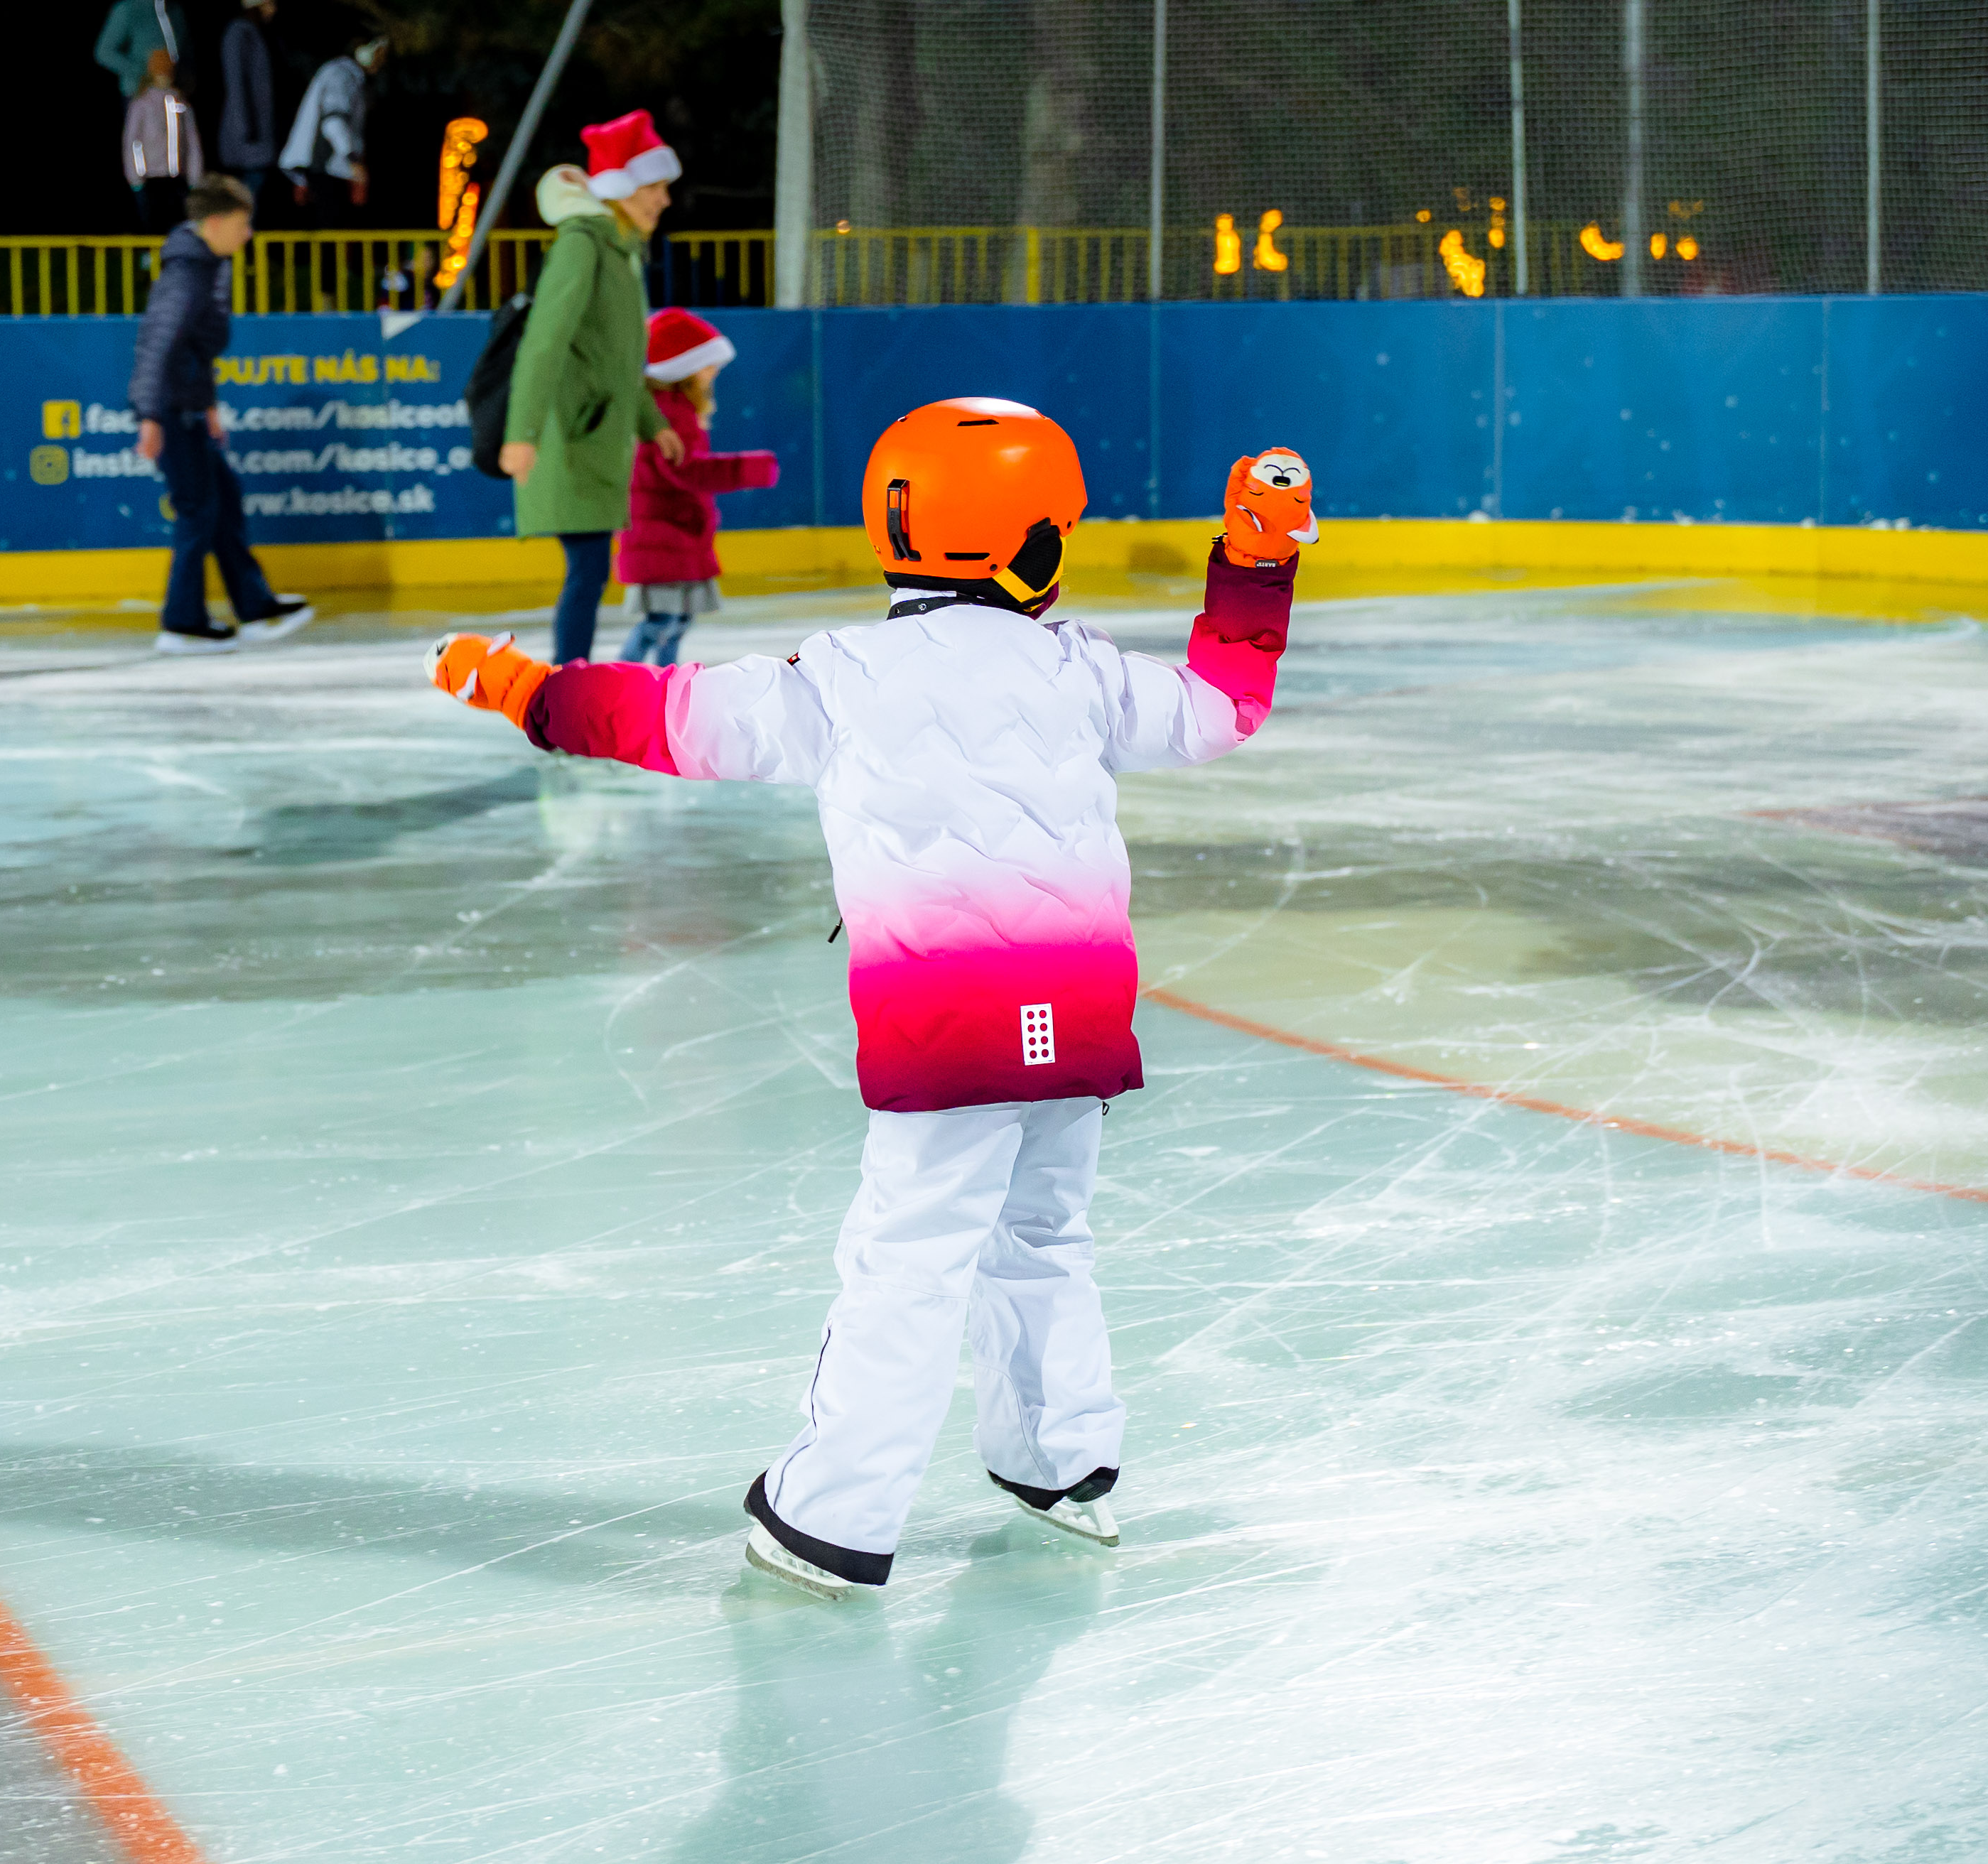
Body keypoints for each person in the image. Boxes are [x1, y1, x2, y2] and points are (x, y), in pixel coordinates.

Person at [426, 408, 1321, 1599]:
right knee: (1042, 1233)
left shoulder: (837, 675)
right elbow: (1222, 710)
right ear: (1038, 543)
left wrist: (531, 691)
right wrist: (1257, 562)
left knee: (908, 1258)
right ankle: (1060, 1465)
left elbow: (667, 718)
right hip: (1079, 1013)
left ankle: (829, 1519)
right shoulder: (1084, 669)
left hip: (945, 1023)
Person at [499, 112, 688, 663]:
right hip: (569, 435)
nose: (664, 200)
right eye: (654, 187)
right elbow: (543, 343)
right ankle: (566, 688)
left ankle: (569, 682)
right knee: (587, 569)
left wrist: (653, 424)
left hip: (595, 432)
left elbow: (619, 361)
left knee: (590, 569)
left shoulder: (621, 253)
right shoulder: (583, 245)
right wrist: (523, 434)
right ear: (621, 190)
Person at [130, 173, 315, 656]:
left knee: (223, 499)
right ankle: (183, 622)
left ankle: (253, 606)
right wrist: (149, 415)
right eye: (241, 223)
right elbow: (158, 344)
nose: (248, 233)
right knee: (198, 509)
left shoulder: (206, 266)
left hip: (186, 407)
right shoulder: (187, 274)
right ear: (214, 223)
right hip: (171, 410)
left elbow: (193, 350)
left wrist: (208, 406)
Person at [614, 308, 777, 666]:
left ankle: (666, 675)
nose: (714, 371)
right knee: (663, 618)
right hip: (662, 530)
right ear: (682, 368)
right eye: (708, 364)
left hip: (673, 529)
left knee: (679, 617)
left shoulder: (676, 407)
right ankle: (624, 672)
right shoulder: (669, 411)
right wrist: (751, 469)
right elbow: (687, 471)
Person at [278, 36, 385, 227]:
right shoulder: (341, 75)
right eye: (379, 54)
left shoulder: (350, 76)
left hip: (331, 168)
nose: (382, 60)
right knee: (333, 231)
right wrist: (353, 160)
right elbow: (333, 122)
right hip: (327, 166)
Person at [123, 48, 202, 232]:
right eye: (160, 71)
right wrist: (136, 175)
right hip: (150, 178)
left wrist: (195, 175)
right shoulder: (141, 104)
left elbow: (192, 140)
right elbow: (132, 142)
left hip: (176, 177)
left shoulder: (181, 103)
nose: (164, 75)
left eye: (167, 71)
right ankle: (149, 256)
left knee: (177, 221)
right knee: (151, 221)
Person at [219, 0, 281, 214]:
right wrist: (244, 127)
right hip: (249, 138)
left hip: (259, 135)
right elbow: (236, 83)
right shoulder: (239, 33)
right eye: (269, 4)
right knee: (246, 203)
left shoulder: (257, 33)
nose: (273, 10)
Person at [94, 0, 189, 101]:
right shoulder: (129, 9)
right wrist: (143, 71)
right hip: (140, 94)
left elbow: (185, 50)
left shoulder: (175, 10)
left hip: (175, 93)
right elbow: (104, 51)